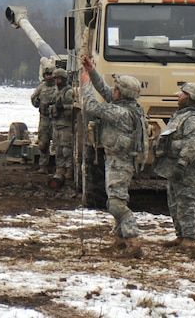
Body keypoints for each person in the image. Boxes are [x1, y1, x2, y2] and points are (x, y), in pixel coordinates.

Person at [78, 54, 148, 255]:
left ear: (122, 94)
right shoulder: (128, 106)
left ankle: (133, 241)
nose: (113, 91)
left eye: (116, 89)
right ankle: (119, 239)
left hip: (120, 162)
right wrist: (91, 71)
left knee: (117, 205)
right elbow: (105, 91)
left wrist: (85, 84)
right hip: (115, 160)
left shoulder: (121, 113)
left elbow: (92, 106)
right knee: (114, 200)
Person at [162, 81, 195, 249]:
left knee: (186, 201)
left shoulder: (193, 119)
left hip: (187, 167)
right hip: (175, 165)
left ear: (191, 98)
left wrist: (182, 163)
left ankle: (189, 237)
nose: (179, 96)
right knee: (174, 201)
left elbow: (193, 144)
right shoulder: (181, 115)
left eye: (182, 94)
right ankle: (180, 235)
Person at [49, 62, 75, 182]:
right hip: (55, 124)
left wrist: (62, 108)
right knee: (57, 148)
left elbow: (73, 108)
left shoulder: (68, 92)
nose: (57, 81)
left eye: (59, 79)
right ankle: (60, 168)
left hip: (65, 124)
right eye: (56, 79)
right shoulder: (54, 91)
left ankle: (69, 169)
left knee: (66, 149)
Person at [30, 61, 56, 171]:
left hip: (56, 120)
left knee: (59, 145)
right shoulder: (41, 88)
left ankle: (58, 166)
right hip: (44, 118)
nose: (49, 76)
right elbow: (34, 99)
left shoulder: (59, 87)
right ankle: (43, 165)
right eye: (47, 74)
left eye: (50, 74)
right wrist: (38, 102)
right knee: (43, 144)